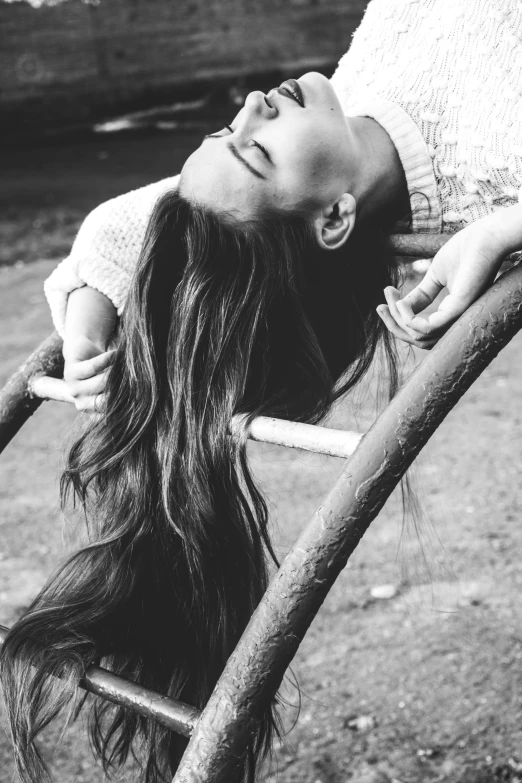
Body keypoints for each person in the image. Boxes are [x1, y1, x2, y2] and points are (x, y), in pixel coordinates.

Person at [2, 1, 522, 782]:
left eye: (227, 134)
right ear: (336, 218)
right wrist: (504, 228)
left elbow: (119, 224)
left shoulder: (327, 134)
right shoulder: (497, 159)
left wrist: (85, 320)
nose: (250, 107)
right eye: (257, 154)